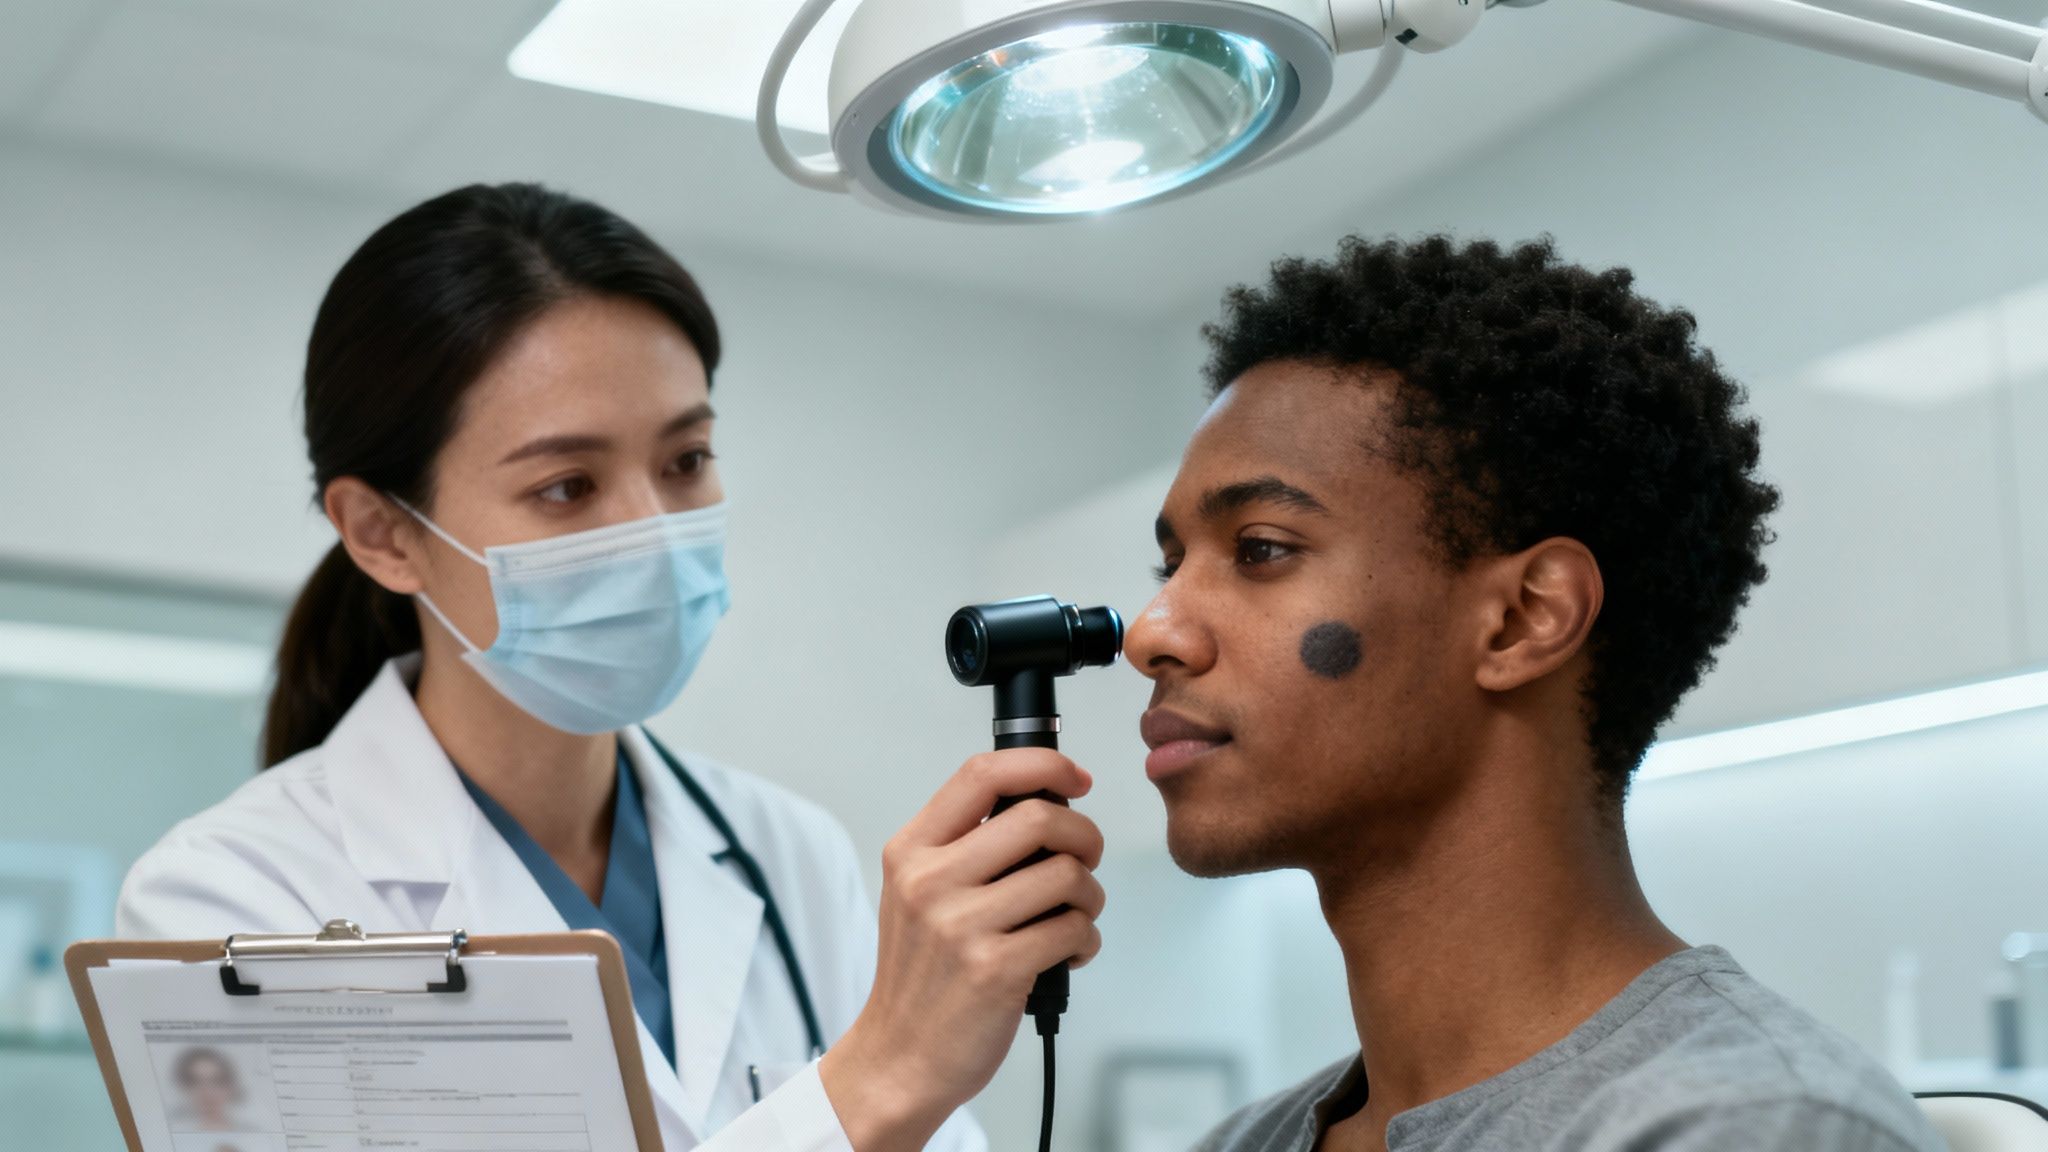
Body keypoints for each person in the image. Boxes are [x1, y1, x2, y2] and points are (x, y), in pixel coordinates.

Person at [117, 183, 1107, 1152]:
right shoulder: (225, 907)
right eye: (566, 486)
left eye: (685, 461)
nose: (653, 535)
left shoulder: (787, 853)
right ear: (382, 534)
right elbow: (881, 1102)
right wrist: (874, 1083)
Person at [1127, 235, 1941, 1152]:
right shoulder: (1247, 1141)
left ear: (1521, 619)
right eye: (1169, 564)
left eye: (1261, 549)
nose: (1150, 631)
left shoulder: (1749, 1129)